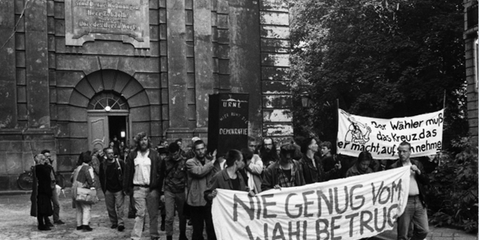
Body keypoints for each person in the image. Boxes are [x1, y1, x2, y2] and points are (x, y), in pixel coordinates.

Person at [123, 132, 164, 240]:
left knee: (153, 213)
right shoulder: (133, 155)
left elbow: (160, 171)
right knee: (140, 213)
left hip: (152, 189)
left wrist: (159, 188)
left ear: (148, 141)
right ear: (138, 142)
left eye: (145, 139)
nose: (143, 142)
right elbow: (128, 171)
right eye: (141, 140)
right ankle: (135, 236)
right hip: (138, 188)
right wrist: (127, 188)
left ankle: (154, 235)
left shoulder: (154, 154)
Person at [388, 141, 429, 240]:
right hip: (405, 202)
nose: (401, 154)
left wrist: (418, 172)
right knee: (403, 233)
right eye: (400, 151)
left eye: (404, 151)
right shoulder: (394, 167)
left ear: (410, 152)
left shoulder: (417, 164)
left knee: (424, 230)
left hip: (419, 200)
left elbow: (426, 181)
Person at [185, 140, 217, 240]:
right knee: (197, 230)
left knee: (211, 228)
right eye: (198, 149)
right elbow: (199, 172)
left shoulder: (209, 162)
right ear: (194, 151)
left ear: (205, 149)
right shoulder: (190, 162)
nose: (200, 151)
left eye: (202, 149)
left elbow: (216, 175)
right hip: (196, 200)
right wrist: (212, 162)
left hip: (209, 199)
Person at [161, 142, 189, 240]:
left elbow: (188, 177)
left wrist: (187, 191)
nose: (173, 156)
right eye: (171, 154)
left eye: (175, 154)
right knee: (169, 217)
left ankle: (182, 234)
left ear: (179, 151)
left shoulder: (185, 161)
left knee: (182, 215)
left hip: (181, 191)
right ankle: (169, 236)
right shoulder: (165, 161)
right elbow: (162, 176)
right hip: (169, 190)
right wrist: (162, 192)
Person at [99, 147, 125, 231]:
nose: (111, 155)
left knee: (120, 207)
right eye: (109, 153)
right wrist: (104, 189)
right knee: (110, 208)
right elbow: (101, 177)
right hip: (108, 189)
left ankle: (121, 223)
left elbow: (125, 173)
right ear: (106, 155)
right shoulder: (103, 165)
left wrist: (124, 186)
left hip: (118, 188)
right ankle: (114, 222)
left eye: (112, 153)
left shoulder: (119, 163)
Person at [41, 149, 65, 225]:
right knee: (46, 204)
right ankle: (46, 220)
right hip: (46, 187)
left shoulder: (50, 165)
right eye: (46, 156)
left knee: (56, 204)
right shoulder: (41, 166)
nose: (48, 158)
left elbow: (53, 174)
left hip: (52, 186)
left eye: (49, 156)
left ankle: (56, 219)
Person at [72, 151, 95, 231]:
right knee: (86, 207)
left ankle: (79, 224)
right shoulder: (88, 168)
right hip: (83, 189)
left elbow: (72, 178)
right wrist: (92, 186)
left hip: (75, 189)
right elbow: (90, 179)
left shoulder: (78, 167)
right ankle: (85, 224)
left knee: (79, 207)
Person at [32, 153, 54, 230]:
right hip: (43, 190)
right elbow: (49, 170)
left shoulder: (37, 168)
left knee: (42, 208)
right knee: (43, 209)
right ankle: (42, 224)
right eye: (44, 159)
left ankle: (43, 223)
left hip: (41, 190)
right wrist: (48, 163)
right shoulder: (41, 168)